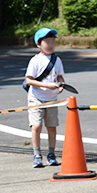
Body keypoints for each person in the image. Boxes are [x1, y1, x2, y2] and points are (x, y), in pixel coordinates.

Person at [25, 28, 65, 168]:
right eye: (47, 42)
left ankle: (52, 154)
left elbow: (59, 76)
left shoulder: (57, 59)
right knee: (36, 126)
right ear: (38, 44)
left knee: (52, 127)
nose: (50, 45)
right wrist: (47, 86)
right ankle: (37, 155)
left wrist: (61, 84)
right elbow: (29, 81)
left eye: (52, 42)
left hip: (52, 99)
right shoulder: (35, 60)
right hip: (36, 98)